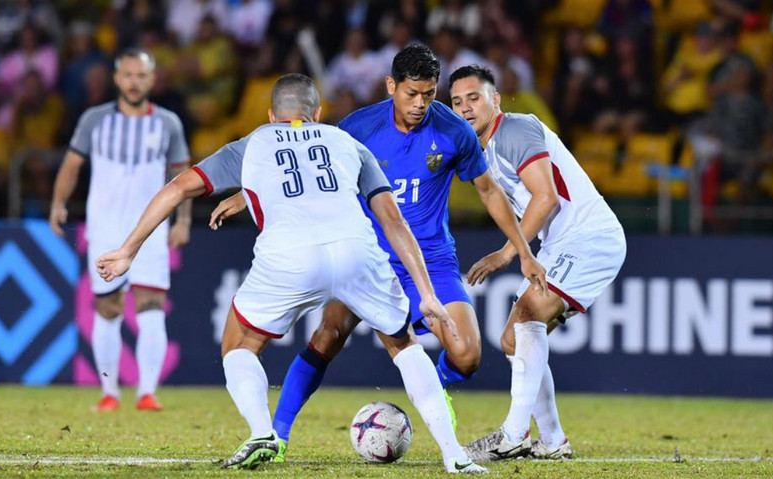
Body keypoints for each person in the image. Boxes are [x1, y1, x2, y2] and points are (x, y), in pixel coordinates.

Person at [95, 73, 487, 474]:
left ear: (271, 115)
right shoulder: (345, 141)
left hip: (290, 256)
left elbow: (177, 189)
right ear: (317, 113)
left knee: (240, 344)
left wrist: (129, 249)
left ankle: (263, 431)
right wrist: (426, 291)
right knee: (403, 346)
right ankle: (454, 454)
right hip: (357, 251)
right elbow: (393, 221)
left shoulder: (255, 142)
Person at [211, 44, 547, 461]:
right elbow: (306, 167)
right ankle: (276, 437)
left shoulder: (453, 131)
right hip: (367, 256)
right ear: (391, 86)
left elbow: (488, 192)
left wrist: (522, 252)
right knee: (328, 336)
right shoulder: (359, 127)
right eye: (411, 94)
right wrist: (247, 195)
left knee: (467, 354)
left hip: (430, 259)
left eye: (429, 94)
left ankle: (435, 394)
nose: (421, 104)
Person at [448, 65, 626, 461]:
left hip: (587, 237)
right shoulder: (480, 151)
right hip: (562, 242)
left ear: (495, 100)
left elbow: (546, 197)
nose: (465, 109)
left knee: (528, 315)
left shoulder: (516, 129)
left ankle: (512, 434)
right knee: (514, 339)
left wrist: (509, 253)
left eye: (474, 98)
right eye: (457, 102)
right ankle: (553, 439)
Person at [50, 49, 192, 412]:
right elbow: (71, 164)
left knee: (151, 306)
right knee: (108, 308)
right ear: (117, 79)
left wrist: (183, 220)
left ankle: (147, 393)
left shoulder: (168, 123)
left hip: (151, 231)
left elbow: (183, 175)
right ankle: (109, 393)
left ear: (152, 79)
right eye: (127, 75)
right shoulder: (94, 120)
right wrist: (57, 204)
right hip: (105, 229)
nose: (133, 82)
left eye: (141, 76)